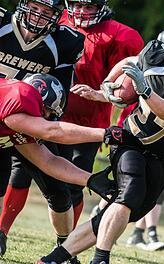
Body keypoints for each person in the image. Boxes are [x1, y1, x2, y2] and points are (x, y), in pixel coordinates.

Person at [36, 31, 164, 264]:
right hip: (130, 141)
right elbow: (129, 62)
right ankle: (100, 259)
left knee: (130, 209)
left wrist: (145, 91)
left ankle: (53, 259)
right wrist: (107, 87)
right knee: (129, 195)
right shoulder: (158, 58)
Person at [0, 0, 85, 258]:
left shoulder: (65, 42)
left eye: (47, 12)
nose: (39, 16)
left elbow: (57, 99)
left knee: (58, 190)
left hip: (32, 122)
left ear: (58, 16)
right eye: (35, 8)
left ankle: (64, 246)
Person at [0, 75, 123, 205]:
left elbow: (49, 161)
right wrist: (105, 134)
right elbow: (51, 131)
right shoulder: (21, 94)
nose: (47, 118)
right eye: (48, 112)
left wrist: (90, 179)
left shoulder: (19, 122)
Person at [125, 27, 164, 252]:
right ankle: (141, 231)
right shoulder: (152, 67)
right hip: (139, 134)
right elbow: (129, 61)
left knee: (156, 191)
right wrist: (107, 87)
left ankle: (144, 233)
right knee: (129, 188)